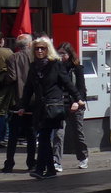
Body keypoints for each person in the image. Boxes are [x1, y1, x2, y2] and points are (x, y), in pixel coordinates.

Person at [18, 37, 82, 179]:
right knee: (45, 138)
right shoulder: (34, 66)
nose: (40, 51)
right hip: (40, 108)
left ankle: (40, 169)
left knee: (44, 136)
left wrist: (78, 98)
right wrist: (23, 106)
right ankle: (51, 170)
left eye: (43, 48)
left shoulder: (55, 65)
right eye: (37, 48)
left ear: (48, 50)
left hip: (52, 107)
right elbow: (28, 88)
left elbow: (67, 83)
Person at [2, 34, 35, 173]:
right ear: (29, 45)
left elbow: (12, 78)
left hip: (16, 100)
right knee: (31, 134)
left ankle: (9, 163)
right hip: (32, 100)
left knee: (13, 135)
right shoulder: (34, 57)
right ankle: (31, 162)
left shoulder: (12, 58)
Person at [54, 42, 90, 170]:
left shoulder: (77, 68)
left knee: (77, 133)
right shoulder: (56, 68)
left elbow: (81, 88)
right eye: (59, 53)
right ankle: (57, 161)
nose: (60, 56)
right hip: (60, 104)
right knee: (59, 133)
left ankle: (83, 157)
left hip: (75, 104)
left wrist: (77, 101)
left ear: (69, 54)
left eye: (63, 53)